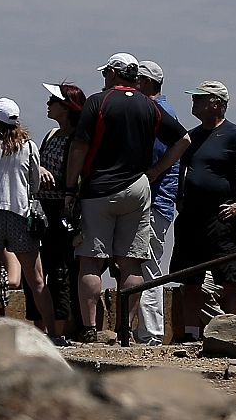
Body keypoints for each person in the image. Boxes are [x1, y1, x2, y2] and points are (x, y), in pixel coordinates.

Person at [64, 53, 190, 342]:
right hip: (137, 187)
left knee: (91, 261)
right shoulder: (150, 105)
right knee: (132, 262)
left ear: (113, 74)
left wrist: (71, 187)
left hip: (99, 189)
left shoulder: (99, 101)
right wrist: (155, 171)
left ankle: (91, 329)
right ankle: (125, 328)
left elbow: (80, 147)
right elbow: (183, 139)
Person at [171, 80, 236, 336]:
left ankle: (231, 332)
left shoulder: (235, 135)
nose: (194, 103)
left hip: (220, 218)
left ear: (215, 103)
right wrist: (179, 197)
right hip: (192, 217)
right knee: (190, 279)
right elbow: (180, 167)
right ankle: (191, 334)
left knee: (229, 278)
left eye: (200, 98)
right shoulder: (191, 136)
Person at [0, 97, 59, 331]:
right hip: (19, 213)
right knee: (36, 279)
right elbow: (35, 184)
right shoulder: (28, 147)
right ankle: (51, 332)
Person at [32, 81, 87, 337]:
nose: (47, 105)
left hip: (64, 210)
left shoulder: (77, 138)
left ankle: (62, 328)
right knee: (42, 268)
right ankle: (42, 326)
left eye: (52, 101)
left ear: (65, 107)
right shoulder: (51, 135)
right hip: (43, 207)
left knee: (61, 270)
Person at [133, 59, 181, 345]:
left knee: (148, 264)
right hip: (156, 200)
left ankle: (151, 334)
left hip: (155, 200)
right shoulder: (161, 112)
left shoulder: (160, 114)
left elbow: (155, 155)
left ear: (146, 83)